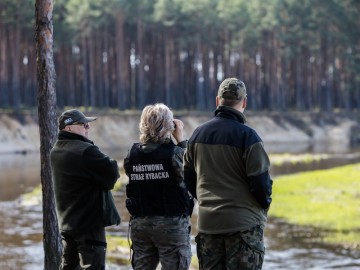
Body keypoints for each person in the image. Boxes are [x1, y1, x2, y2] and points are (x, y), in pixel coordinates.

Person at [183, 78, 273, 270]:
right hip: (243, 227)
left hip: (208, 225)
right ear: (244, 102)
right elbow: (261, 184)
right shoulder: (248, 136)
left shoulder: (197, 135)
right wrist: (264, 205)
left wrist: (206, 201)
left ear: (217, 101)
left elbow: (188, 179)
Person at [124, 103, 194, 270]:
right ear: (169, 125)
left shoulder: (132, 154)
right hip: (171, 224)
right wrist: (181, 141)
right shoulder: (175, 153)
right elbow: (192, 176)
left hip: (141, 224)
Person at [50, 109, 120, 270]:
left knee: (69, 267)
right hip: (89, 226)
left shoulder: (56, 151)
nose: (88, 127)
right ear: (68, 128)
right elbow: (112, 174)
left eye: (88, 124)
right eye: (83, 124)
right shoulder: (85, 151)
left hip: (68, 225)